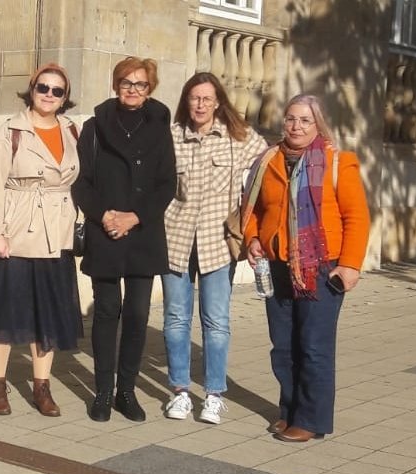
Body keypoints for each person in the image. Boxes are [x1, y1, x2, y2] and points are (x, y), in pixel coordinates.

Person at [0, 63, 83, 417]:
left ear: (65, 97)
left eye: (58, 91)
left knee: (49, 313)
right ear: (32, 89)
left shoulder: (72, 130)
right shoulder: (10, 130)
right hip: (17, 228)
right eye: (43, 88)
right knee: (5, 312)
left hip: (57, 231)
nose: (49, 95)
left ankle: (42, 387)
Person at [242, 94, 371, 442]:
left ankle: (311, 419)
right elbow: (252, 209)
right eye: (290, 119)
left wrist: (350, 266)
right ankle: (289, 409)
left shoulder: (337, 163)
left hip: (321, 267)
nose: (295, 127)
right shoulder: (267, 160)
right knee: (283, 345)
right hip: (279, 266)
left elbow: (356, 217)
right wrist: (253, 238)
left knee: (313, 346)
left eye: (304, 120)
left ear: (318, 125)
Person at [73, 57, 176, 422]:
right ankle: (102, 392)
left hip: (143, 232)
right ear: (116, 85)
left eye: (141, 84)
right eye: (126, 83)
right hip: (105, 231)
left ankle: (126, 392)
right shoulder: (96, 126)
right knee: (105, 312)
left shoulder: (160, 126)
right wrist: (104, 216)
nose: (133, 89)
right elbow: (81, 181)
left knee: (136, 314)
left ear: (151, 89)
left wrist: (134, 217)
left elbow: (167, 184)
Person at [161, 73, 267, 424]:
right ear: (186, 101)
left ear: (219, 101)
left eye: (207, 99)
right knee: (176, 318)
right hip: (175, 239)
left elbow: (270, 165)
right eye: (194, 98)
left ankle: (214, 393)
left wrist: (251, 222)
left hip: (217, 243)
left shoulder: (240, 137)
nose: (200, 105)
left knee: (216, 320)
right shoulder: (173, 136)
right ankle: (179, 391)